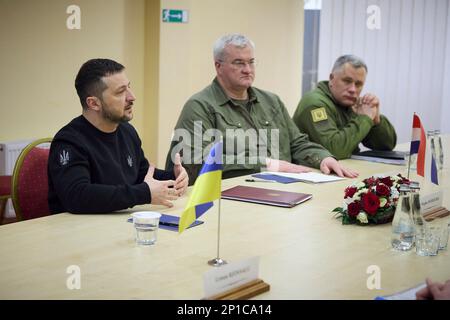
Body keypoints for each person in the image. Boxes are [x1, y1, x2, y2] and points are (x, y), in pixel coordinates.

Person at [165, 34, 358, 184]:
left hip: (283, 190)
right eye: (239, 63)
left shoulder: (271, 101)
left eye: (251, 62)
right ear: (218, 66)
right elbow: (195, 161)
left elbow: (297, 142)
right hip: (228, 199)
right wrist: (268, 164)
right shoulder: (200, 106)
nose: (248, 69)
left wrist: (323, 158)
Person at [48, 58, 188, 214]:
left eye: (129, 87)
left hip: (118, 223)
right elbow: (77, 196)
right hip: (77, 231)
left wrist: (174, 177)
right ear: (94, 103)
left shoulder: (127, 131)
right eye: (121, 92)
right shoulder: (69, 141)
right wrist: (144, 194)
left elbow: (142, 175)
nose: (132, 97)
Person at [292, 55, 397, 160]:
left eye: (358, 84)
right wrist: (364, 119)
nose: (353, 89)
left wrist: (376, 121)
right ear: (332, 79)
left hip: (345, 169)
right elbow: (334, 151)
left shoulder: (352, 104)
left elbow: (387, 146)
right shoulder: (315, 104)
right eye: (347, 81)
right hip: (313, 172)